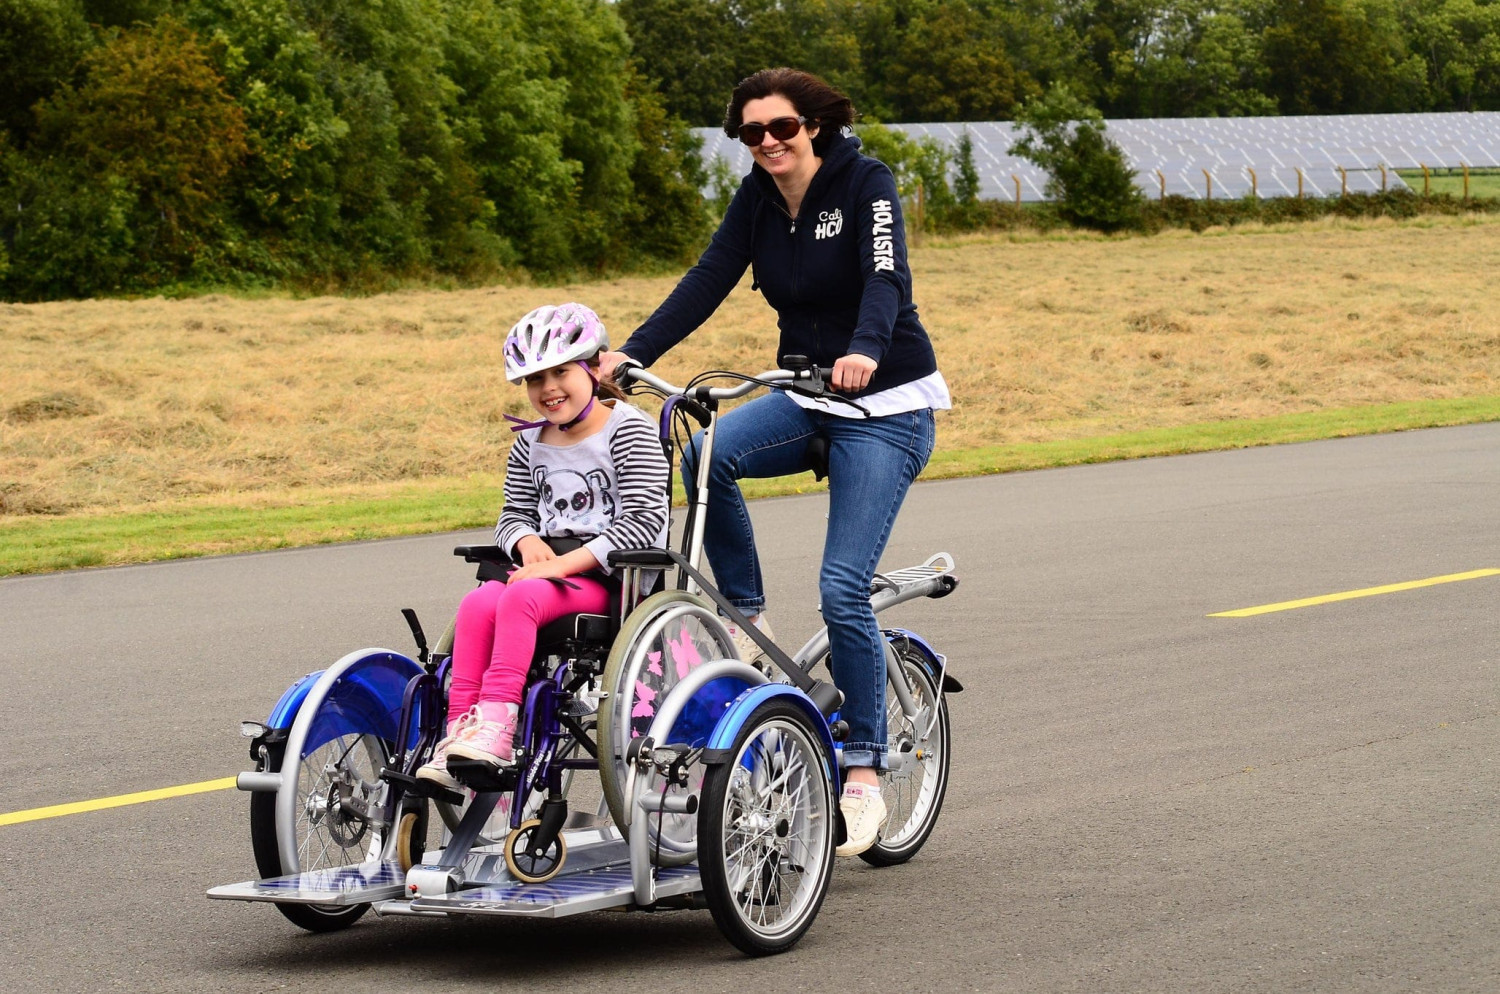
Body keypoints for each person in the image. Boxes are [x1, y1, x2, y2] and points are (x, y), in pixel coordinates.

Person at [598, 68, 948, 857]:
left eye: (781, 129)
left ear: (814, 125)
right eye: (751, 134)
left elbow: (887, 277)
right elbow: (709, 278)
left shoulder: (866, 181)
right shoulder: (756, 199)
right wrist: (634, 352)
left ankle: (864, 765)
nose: (767, 144)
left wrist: (865, 350)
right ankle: (748, 622)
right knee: (707, 451)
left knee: (840, 587)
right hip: (806, 393)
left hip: (885, 406)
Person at [418, 303, 670, 788]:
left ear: (594, 368)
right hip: (546, 575)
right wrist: (526, 540)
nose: (548, 388)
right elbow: (512, 513)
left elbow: (643, 522)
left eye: (560, 372)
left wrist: (561, 566)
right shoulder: (529, 442)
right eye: (535, 379)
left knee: (518, 596)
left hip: (610, 577)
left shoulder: (628, 429)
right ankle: (460, 735)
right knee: (477, 603)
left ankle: (497, 727)